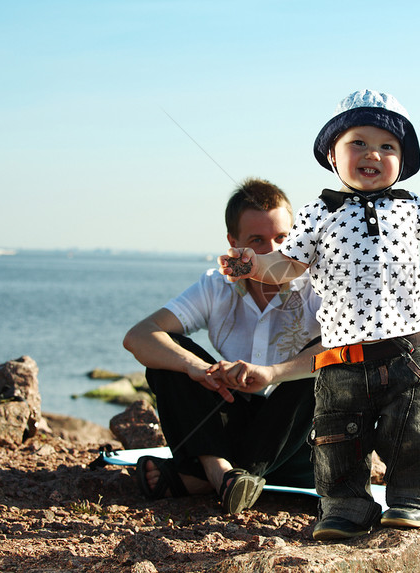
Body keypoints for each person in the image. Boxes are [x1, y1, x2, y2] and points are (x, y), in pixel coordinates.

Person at [219, 90, 420, 540]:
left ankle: (410, 498)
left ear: (402, 160)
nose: (373, 154)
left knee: (414, 428)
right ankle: (345, 506)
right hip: (342, 353)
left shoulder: (408, 205)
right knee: (338, 436)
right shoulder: (319, 213)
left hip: (406, 349)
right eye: (358, 143)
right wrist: (251, 263)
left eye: (388, 146)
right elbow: (286, 265)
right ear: (332, 153)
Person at [123, 177, 323, 514]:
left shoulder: (317, 283)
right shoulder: (217, 285)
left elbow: (352, 351)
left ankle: (205, 479)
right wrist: (196, 368)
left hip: (300, 444)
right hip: (235, 426)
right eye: (257, 241)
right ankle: (221, 472)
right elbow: (139, 335)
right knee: (169, 353)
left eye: (282, 238)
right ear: (234, 244)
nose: (272, 251)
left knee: (326, 364)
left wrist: (273, 373)